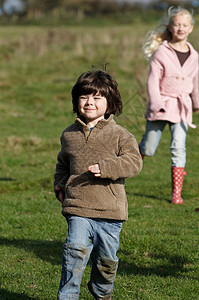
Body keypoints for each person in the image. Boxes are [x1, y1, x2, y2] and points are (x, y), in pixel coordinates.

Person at [54, 69, 143, 300]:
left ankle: (102, 293)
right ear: (76, 102)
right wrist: (60, 184)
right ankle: (67, 296)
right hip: (78, 207)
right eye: (84, 97)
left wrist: (107, 168)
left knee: (106, 262)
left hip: (110, 211)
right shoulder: (69, 135)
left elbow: (134, 162)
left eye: (97, 97)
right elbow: (63, 163)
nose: (89, 102)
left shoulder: (121, 135)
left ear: (110, 102)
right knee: (74, 251)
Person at [139, 6, 199, 204]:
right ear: (170, 27)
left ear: (191, 28)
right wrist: (156, 104)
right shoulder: (161, 53)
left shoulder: (195, 56)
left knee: (178, 147)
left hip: (182, 108)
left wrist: (196, 102)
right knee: (149, 148)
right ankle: (130, 164)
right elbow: (152, 81)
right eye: (176, 24)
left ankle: (176, 194)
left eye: (184, 25)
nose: (180, 28)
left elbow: (196, 82)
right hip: (162, 105)